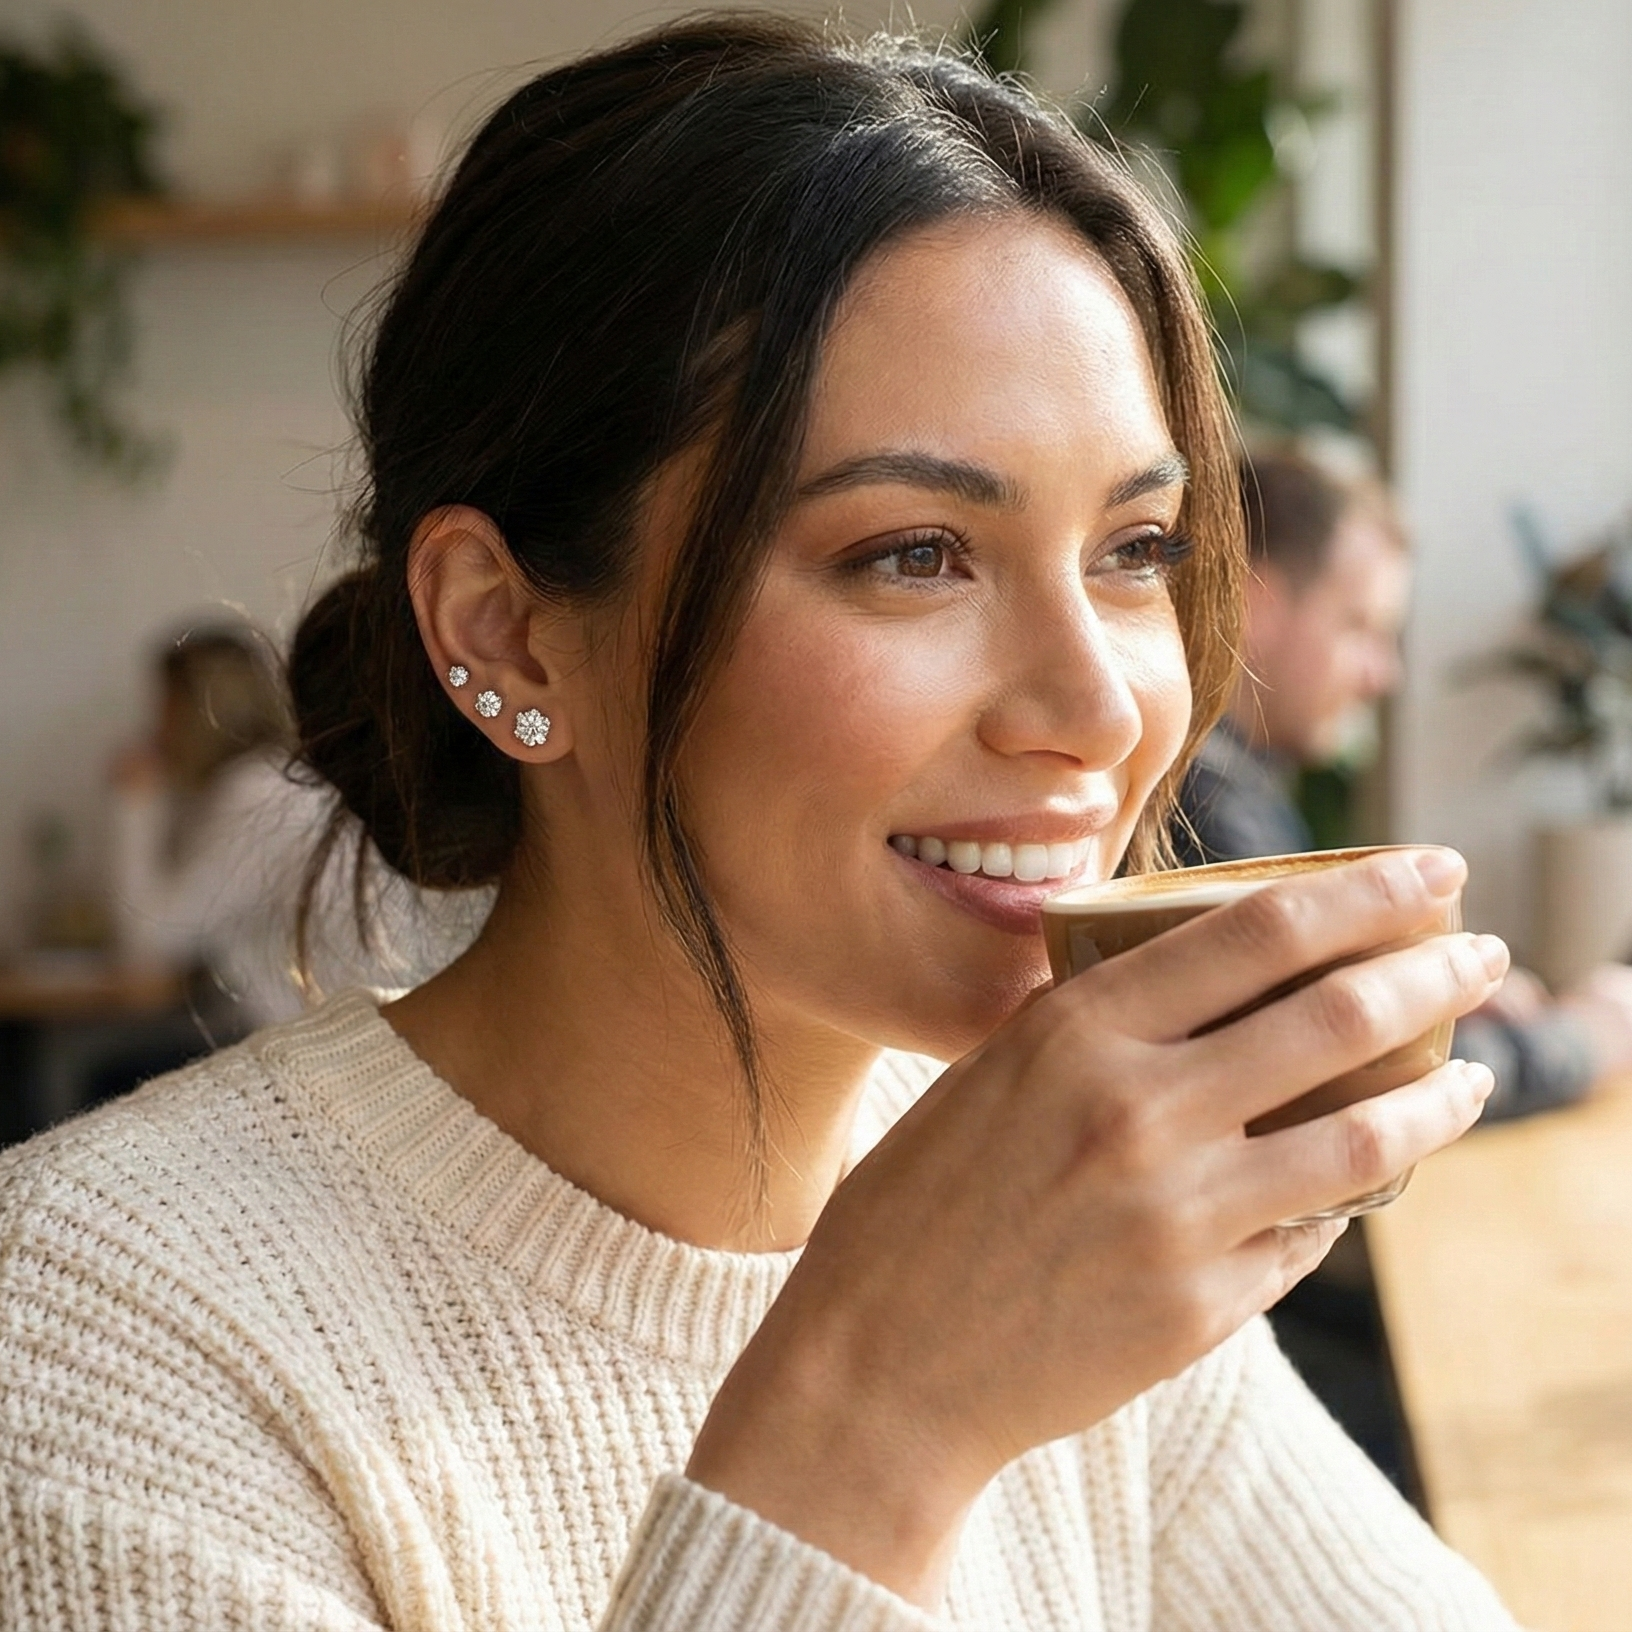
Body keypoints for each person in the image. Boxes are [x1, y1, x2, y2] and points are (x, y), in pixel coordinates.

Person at [0, 20, 1520, 1629]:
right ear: (508, 634)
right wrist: (878, 1414)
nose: (1099, 706)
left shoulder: (1043, 1205)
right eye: (915, 553)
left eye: (1135, 549)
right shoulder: (94, 1339)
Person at [1175, 449, 1632, 1123]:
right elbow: (1337, 1075)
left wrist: (1429, 1004)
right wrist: (1582, 1041)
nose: (1382, 676)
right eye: (1361, 627)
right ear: (1257, 607)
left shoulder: (1235, 787)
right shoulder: (1205, 809)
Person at [111, 620, 481, 1030]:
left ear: (190, 712)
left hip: (326, 1039)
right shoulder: (281, 779)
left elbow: (150, 935)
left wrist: (134, 805)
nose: (154, 730)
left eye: (163, 709)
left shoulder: (254, 794)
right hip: (360, 1024)